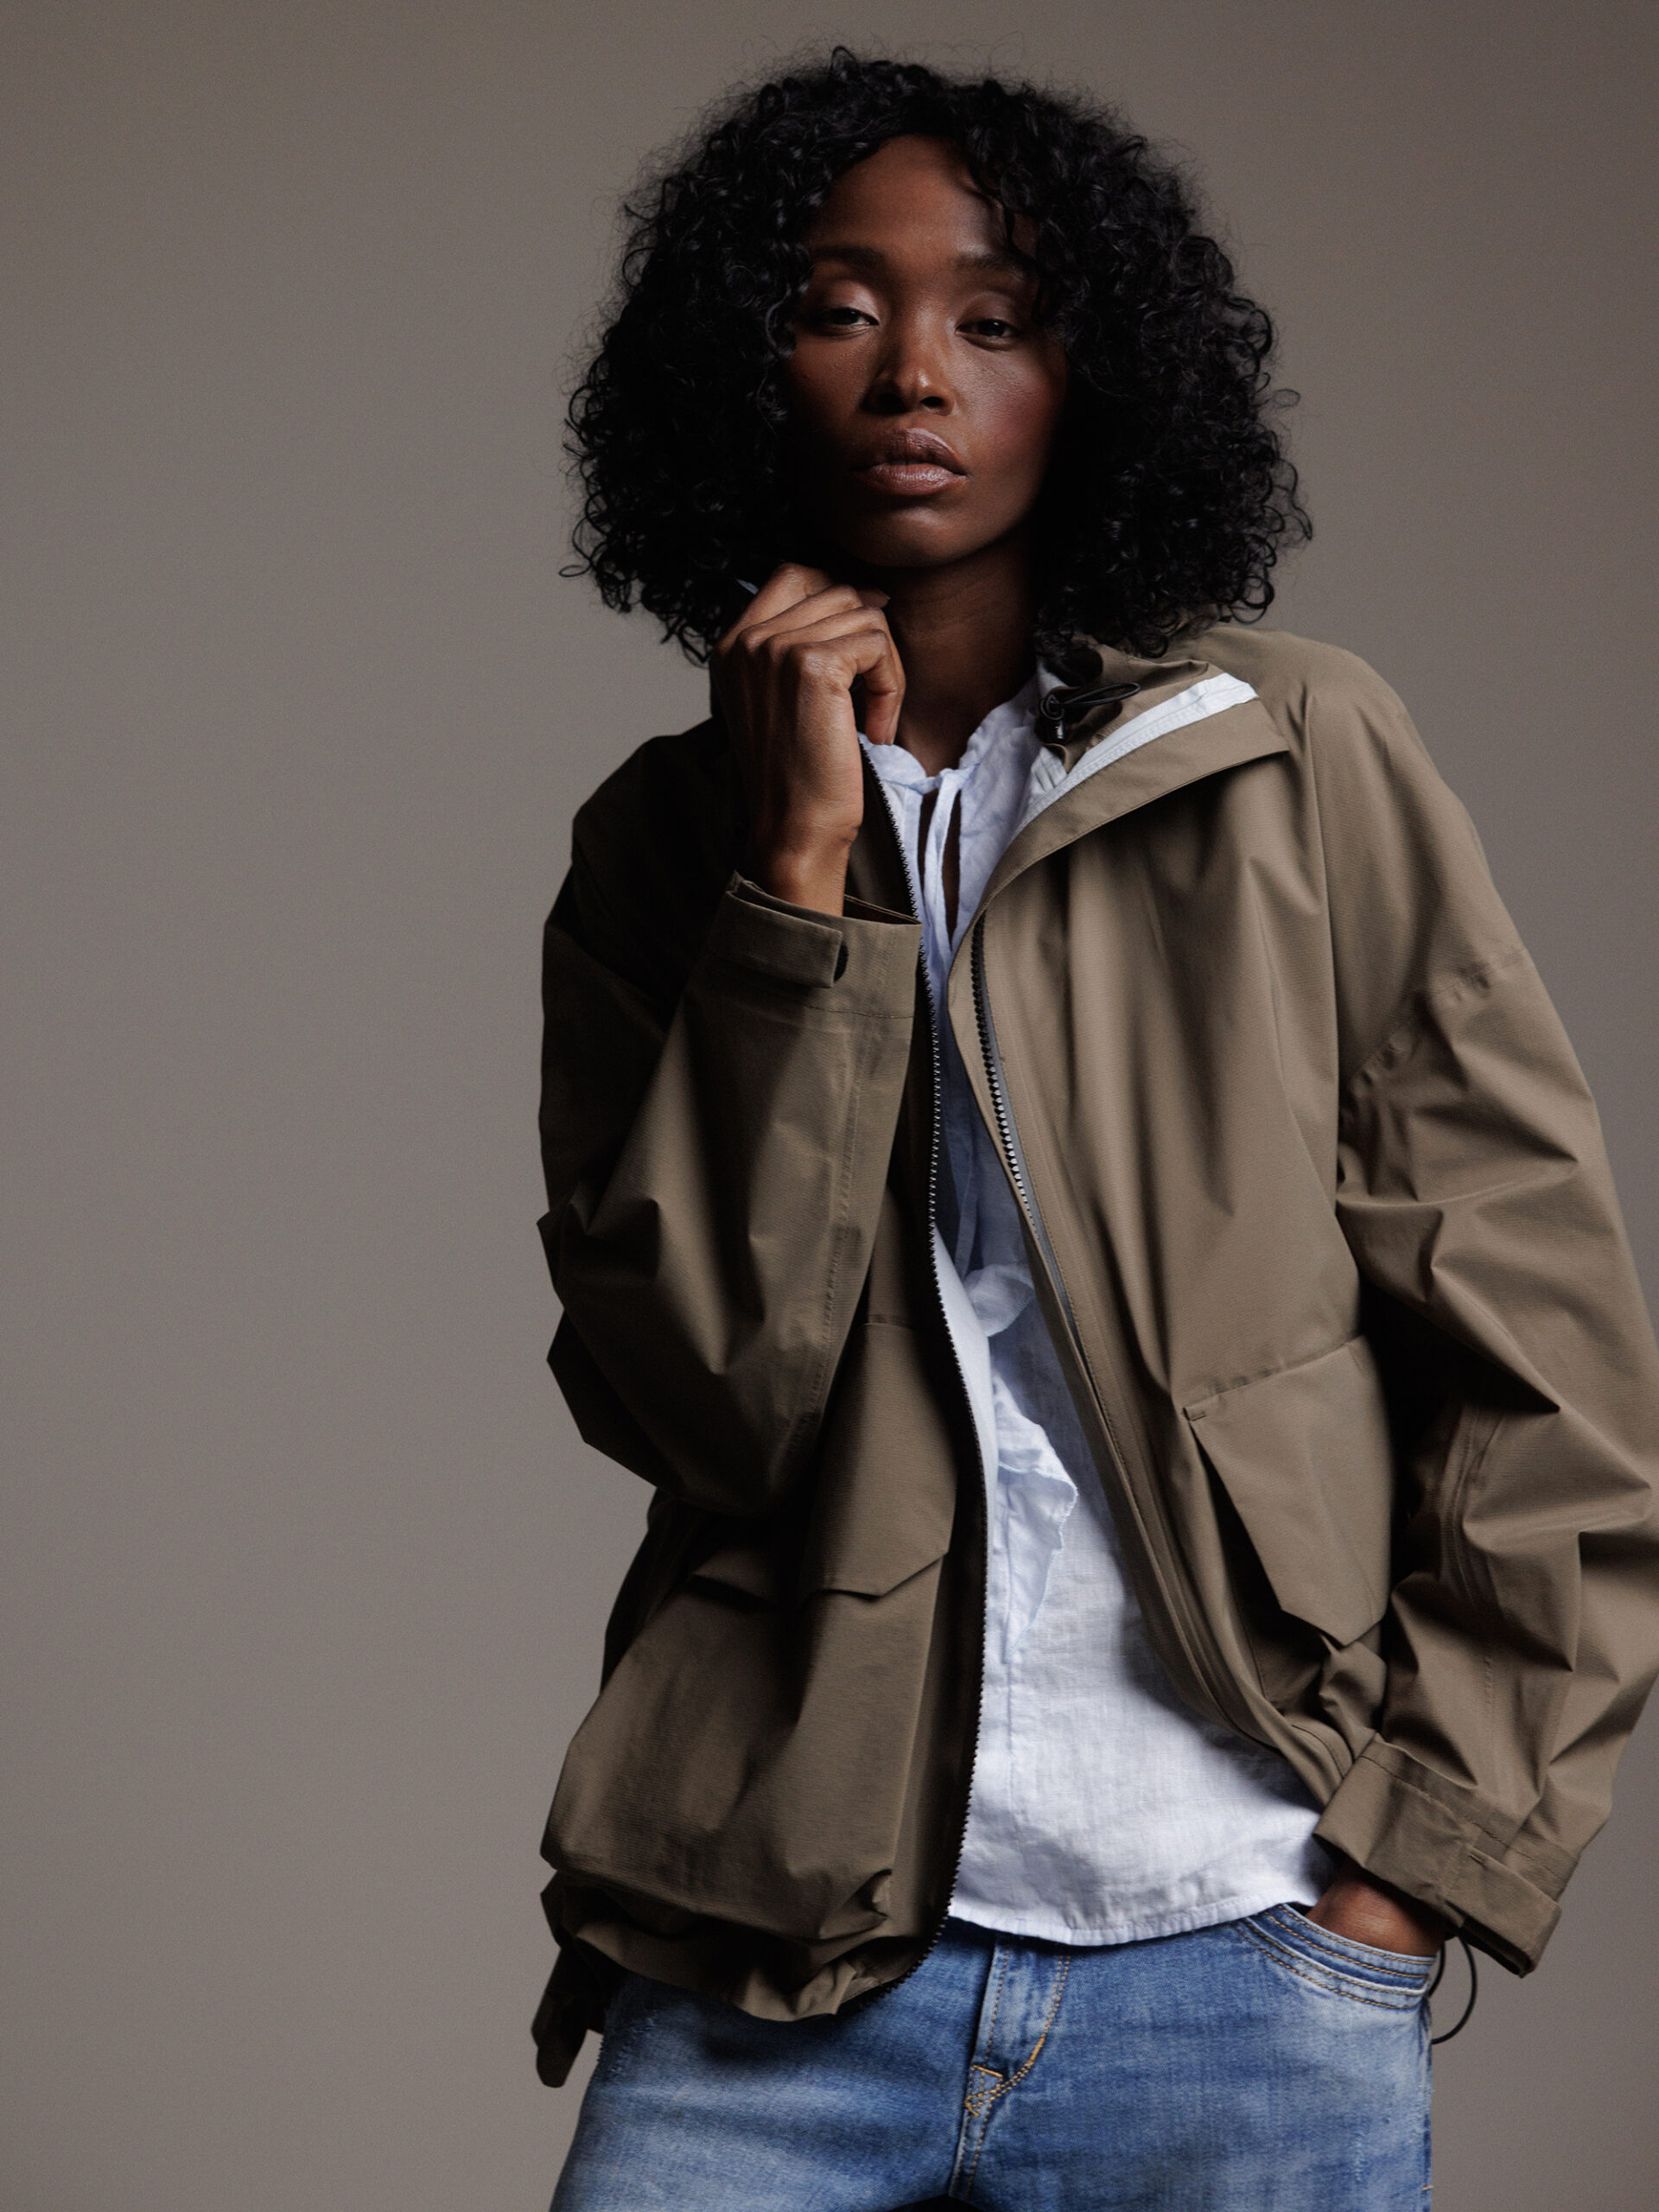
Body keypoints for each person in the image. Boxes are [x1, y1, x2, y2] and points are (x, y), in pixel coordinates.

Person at [531, 50, 1659, 2211]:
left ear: (1096, 375)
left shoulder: (1295, 755)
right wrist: (794, 881)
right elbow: (707, 1397)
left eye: (999, 317)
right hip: (774, 1955)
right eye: (839, 307)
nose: (915, 374)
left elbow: (1550, 1365)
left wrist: (1417, 1866)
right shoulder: (665, 852)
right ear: (743, 369)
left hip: (1244, 1945)